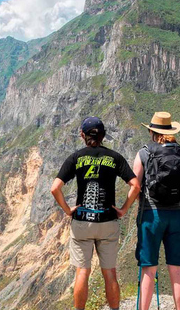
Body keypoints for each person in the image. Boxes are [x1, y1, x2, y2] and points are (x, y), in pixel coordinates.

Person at [51, 116, 140, 310]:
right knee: (110, 273)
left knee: (82, 271)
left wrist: (68, 210)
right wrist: (123, 209)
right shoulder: (115, 157)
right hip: (107, 221)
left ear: (82, 135)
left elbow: (55, 188)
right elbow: (135, 185)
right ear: (103, 135)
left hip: (82, 221)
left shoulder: (76, 157)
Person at [132, 112, 180, 310]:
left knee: (148, 268)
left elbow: (135, 185)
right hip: (178, 216)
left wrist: (125, 207)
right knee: (176, 269)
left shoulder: (144, 153)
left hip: (152, 214)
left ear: (151, 131)